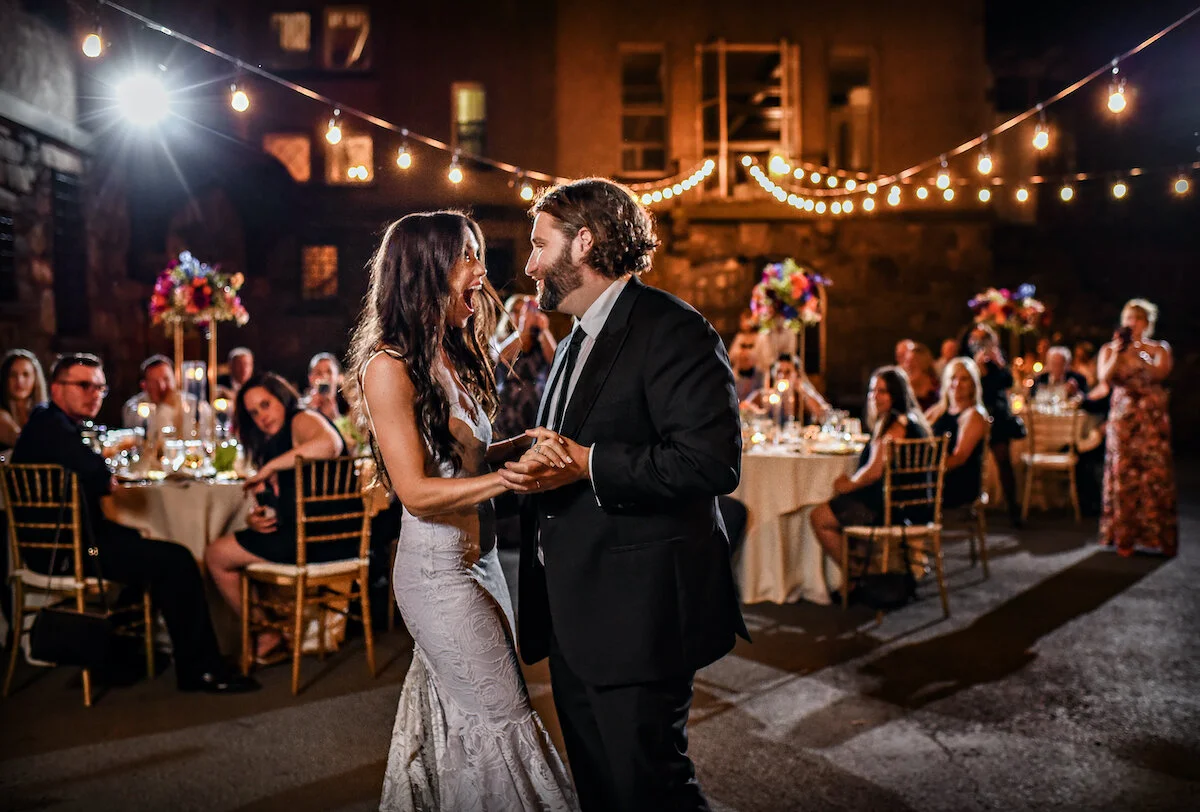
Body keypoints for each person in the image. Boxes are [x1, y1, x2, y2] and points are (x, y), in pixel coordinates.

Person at [499, 178, 748, 811]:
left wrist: (588, 464)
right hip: (574, 612)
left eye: (539, 245)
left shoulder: (672, 329)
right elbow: (571, 445)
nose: (529, 264)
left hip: (641, 613)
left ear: (583, 243)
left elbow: (711, 462)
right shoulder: (575, 338)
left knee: (651, 789)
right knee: (601, 789)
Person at [346, 211, 577, 809]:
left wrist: (518, 446)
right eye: (467, 258)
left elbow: (461, 461)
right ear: (425, 273)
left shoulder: (447, 355)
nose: (481, 273)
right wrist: (508, 478)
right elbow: (418, 492)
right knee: (503, 716)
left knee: (467, 719)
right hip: (437, 575)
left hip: (484, 565)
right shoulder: (388, 366)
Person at [10, 353, 258, 693]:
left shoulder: (48, 422)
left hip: (74, 540)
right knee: (178, 561)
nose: (94, 394)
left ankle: (130, 651)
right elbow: (102, 479)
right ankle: (200, 670)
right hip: (71, 550)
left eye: (99, 387)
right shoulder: (53, 427)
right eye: (84, 385)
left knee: (149, 541)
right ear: (56, 388)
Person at [204, 372, 349, 661]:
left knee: (215, 555)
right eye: (253, 412)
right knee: (224, 548)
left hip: (322, 537)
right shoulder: (274, 441)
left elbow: (330, 445)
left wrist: (270, 467)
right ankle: (269, 631)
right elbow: (282, 501)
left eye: (266, 404)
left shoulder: (301, 418)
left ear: (281, 398)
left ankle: (268, 633)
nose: (261, 416)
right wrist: (254, 519)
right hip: (304, 534)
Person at [810, 367, 932, 562]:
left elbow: (874, 471)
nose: (875, 397)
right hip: (907, 503)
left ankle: (853, 577)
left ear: (896, 394)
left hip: (894, 507)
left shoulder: (895, 426)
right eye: (872, 391)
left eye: (882, 391)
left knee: (819, 517)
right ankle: (865, 571)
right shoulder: (909, 421)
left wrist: (847, 484)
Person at [1098, 299, 1176, 556]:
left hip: (1151, 419)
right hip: (1124, 419)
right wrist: (1121, 353)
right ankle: (1124, 537)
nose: (1133, 323)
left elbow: (1160, 373)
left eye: (1138, 319)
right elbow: (1104, 379)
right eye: (1129, 318)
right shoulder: (1111, 349)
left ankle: (1159, 537)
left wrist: (1141, 355)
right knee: (1125, 475)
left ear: (1147, 323)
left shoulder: (1158, 348)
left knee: (1154, 475)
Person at [965, 324, 1024, 525]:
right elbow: (970, 387)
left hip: (997, 417)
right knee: (972, 462)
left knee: (1003, 462)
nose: (979, 344)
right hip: (976, 416)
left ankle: (1013, 509)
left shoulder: (997, 359)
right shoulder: (969, 359)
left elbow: (1007, 383)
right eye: (976, 339)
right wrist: (976, 367)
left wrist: (999, 364)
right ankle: (970, 506)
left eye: (983, 340)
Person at [925, 358, 989, 509]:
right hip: (934, 475)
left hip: (956, 481)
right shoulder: (937, 411)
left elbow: (959, 458)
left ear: (973, 384)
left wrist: (927, 469)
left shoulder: (974, 415)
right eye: (953, 378)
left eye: (964, 379)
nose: (957, 384)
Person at [493, 293, 558, 439]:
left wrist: (544, 329)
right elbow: (502, 356)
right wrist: (523, 329)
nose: (522, 315)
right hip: (507, 415)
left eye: (525, 310)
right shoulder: (500, 338)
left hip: (534, 415)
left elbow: (556, 362)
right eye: (516, 311)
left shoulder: (540, 341)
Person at [121, 355, 214, 439]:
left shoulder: (196, 406)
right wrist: (165, 407)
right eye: (155, 382)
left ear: (175, 379)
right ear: (144, 385)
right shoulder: (133, 409)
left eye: (166, 379)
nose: (162, 387)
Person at [742, 353, 830, 424]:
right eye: (779, 372)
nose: (782, 376)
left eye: (787, 372)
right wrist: (754, 411)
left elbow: (823, 413)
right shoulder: (764, 395)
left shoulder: (803, 395)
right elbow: (742, 410)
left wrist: (802, 391)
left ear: (796, 374)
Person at [0, 349, 47, 451]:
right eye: (13, 375)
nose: (19, 381)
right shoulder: (2, 415)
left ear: (35, 378)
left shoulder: (45, 414)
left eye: (26, 374)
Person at [299, 352, 346, 422]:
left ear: (338, 377)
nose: (324, 377)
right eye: (318, 373)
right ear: (310, 378)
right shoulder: (301, 407)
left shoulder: (348, 405)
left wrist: (335, 418)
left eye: (329, 372)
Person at [728, 329, 765, 402]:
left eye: (746, 359)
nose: (743, 362)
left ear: (753, 361)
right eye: (741, 360)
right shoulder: (732, 377)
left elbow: (760, 393)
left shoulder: (759, 375)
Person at [903, 342, 941, 412]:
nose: (907, 366)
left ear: (924, 364)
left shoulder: (939, 393)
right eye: (906, 362)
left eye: (912, 362)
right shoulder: (903, 395)